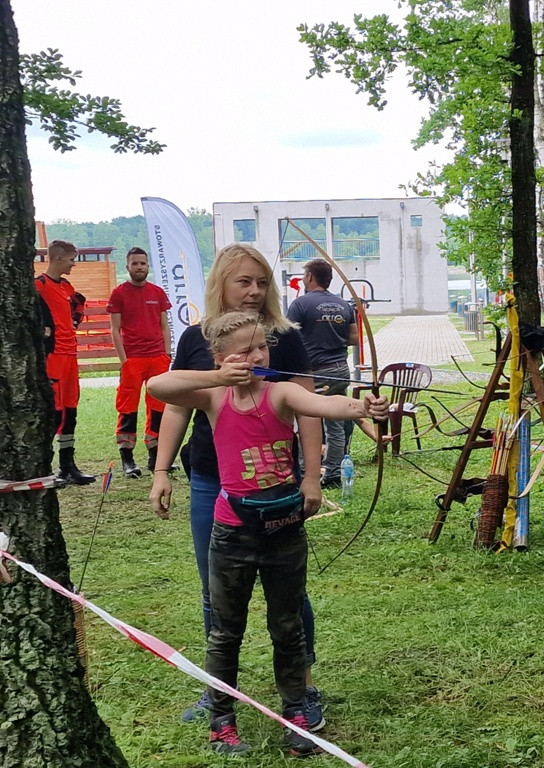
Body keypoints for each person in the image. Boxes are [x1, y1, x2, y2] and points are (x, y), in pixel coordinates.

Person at [148, 311, 389, 755]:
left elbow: (325, 404)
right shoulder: (214, 396)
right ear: (221, 358)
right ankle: (222, 718)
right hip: (232, 533)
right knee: (226, 631)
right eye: (245, 351)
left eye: (262, 347)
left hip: (283, 530)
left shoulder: (280, 392)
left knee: (288, 625)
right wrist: (218, 375)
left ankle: (296, 711)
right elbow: (157, 386)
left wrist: (360, 407)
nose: (258, 355)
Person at [148, 244, 326, 727]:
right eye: (242, 281)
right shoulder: (196, 337)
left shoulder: (283, 338)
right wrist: (162, 470)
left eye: (261, 282)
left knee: (287, 592)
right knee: (216, 588)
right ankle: (220, 692)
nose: (253, 291)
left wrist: (311, 475)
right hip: (211, 479)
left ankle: (303, 689)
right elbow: (176, 401)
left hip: (274, 488)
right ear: (220, 285)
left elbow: (308, 408)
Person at [286, 258, 378, 486]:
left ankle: (307, 470)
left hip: (315, 371)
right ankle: (334, 473)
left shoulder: (300, 304)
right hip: (339, 369)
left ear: (310, 277)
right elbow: (355, 338)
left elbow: (286, 337)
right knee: (334, 422)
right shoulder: (343, 305)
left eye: (304, 275)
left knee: (306, 419)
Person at [107, 247, 172, 478]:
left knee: (158, 407)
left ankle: (156, 457)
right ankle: (128, 459)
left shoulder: (157, 292)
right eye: (135, 263)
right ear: (128, 267)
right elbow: (114, 329)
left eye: (143, 263)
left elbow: (164, 325)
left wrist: (166, 354)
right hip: (133, 359)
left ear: (148, 266)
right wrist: (124, 360)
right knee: (127, 408)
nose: (139, 267)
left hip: (157, 358)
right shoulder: (119, 293)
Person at [34, 240, 95, 485]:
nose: (73, 264)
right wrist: (43, 331)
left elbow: (79, 303)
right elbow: (29, 314)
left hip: (71, 357)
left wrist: (75, 322)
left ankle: (67, 466)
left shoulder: (66, 286)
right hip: (53, 358)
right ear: (58, 259)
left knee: (70, 411)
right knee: (54, 413)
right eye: (71, 259)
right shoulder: (39, 285)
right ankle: (45, 466)